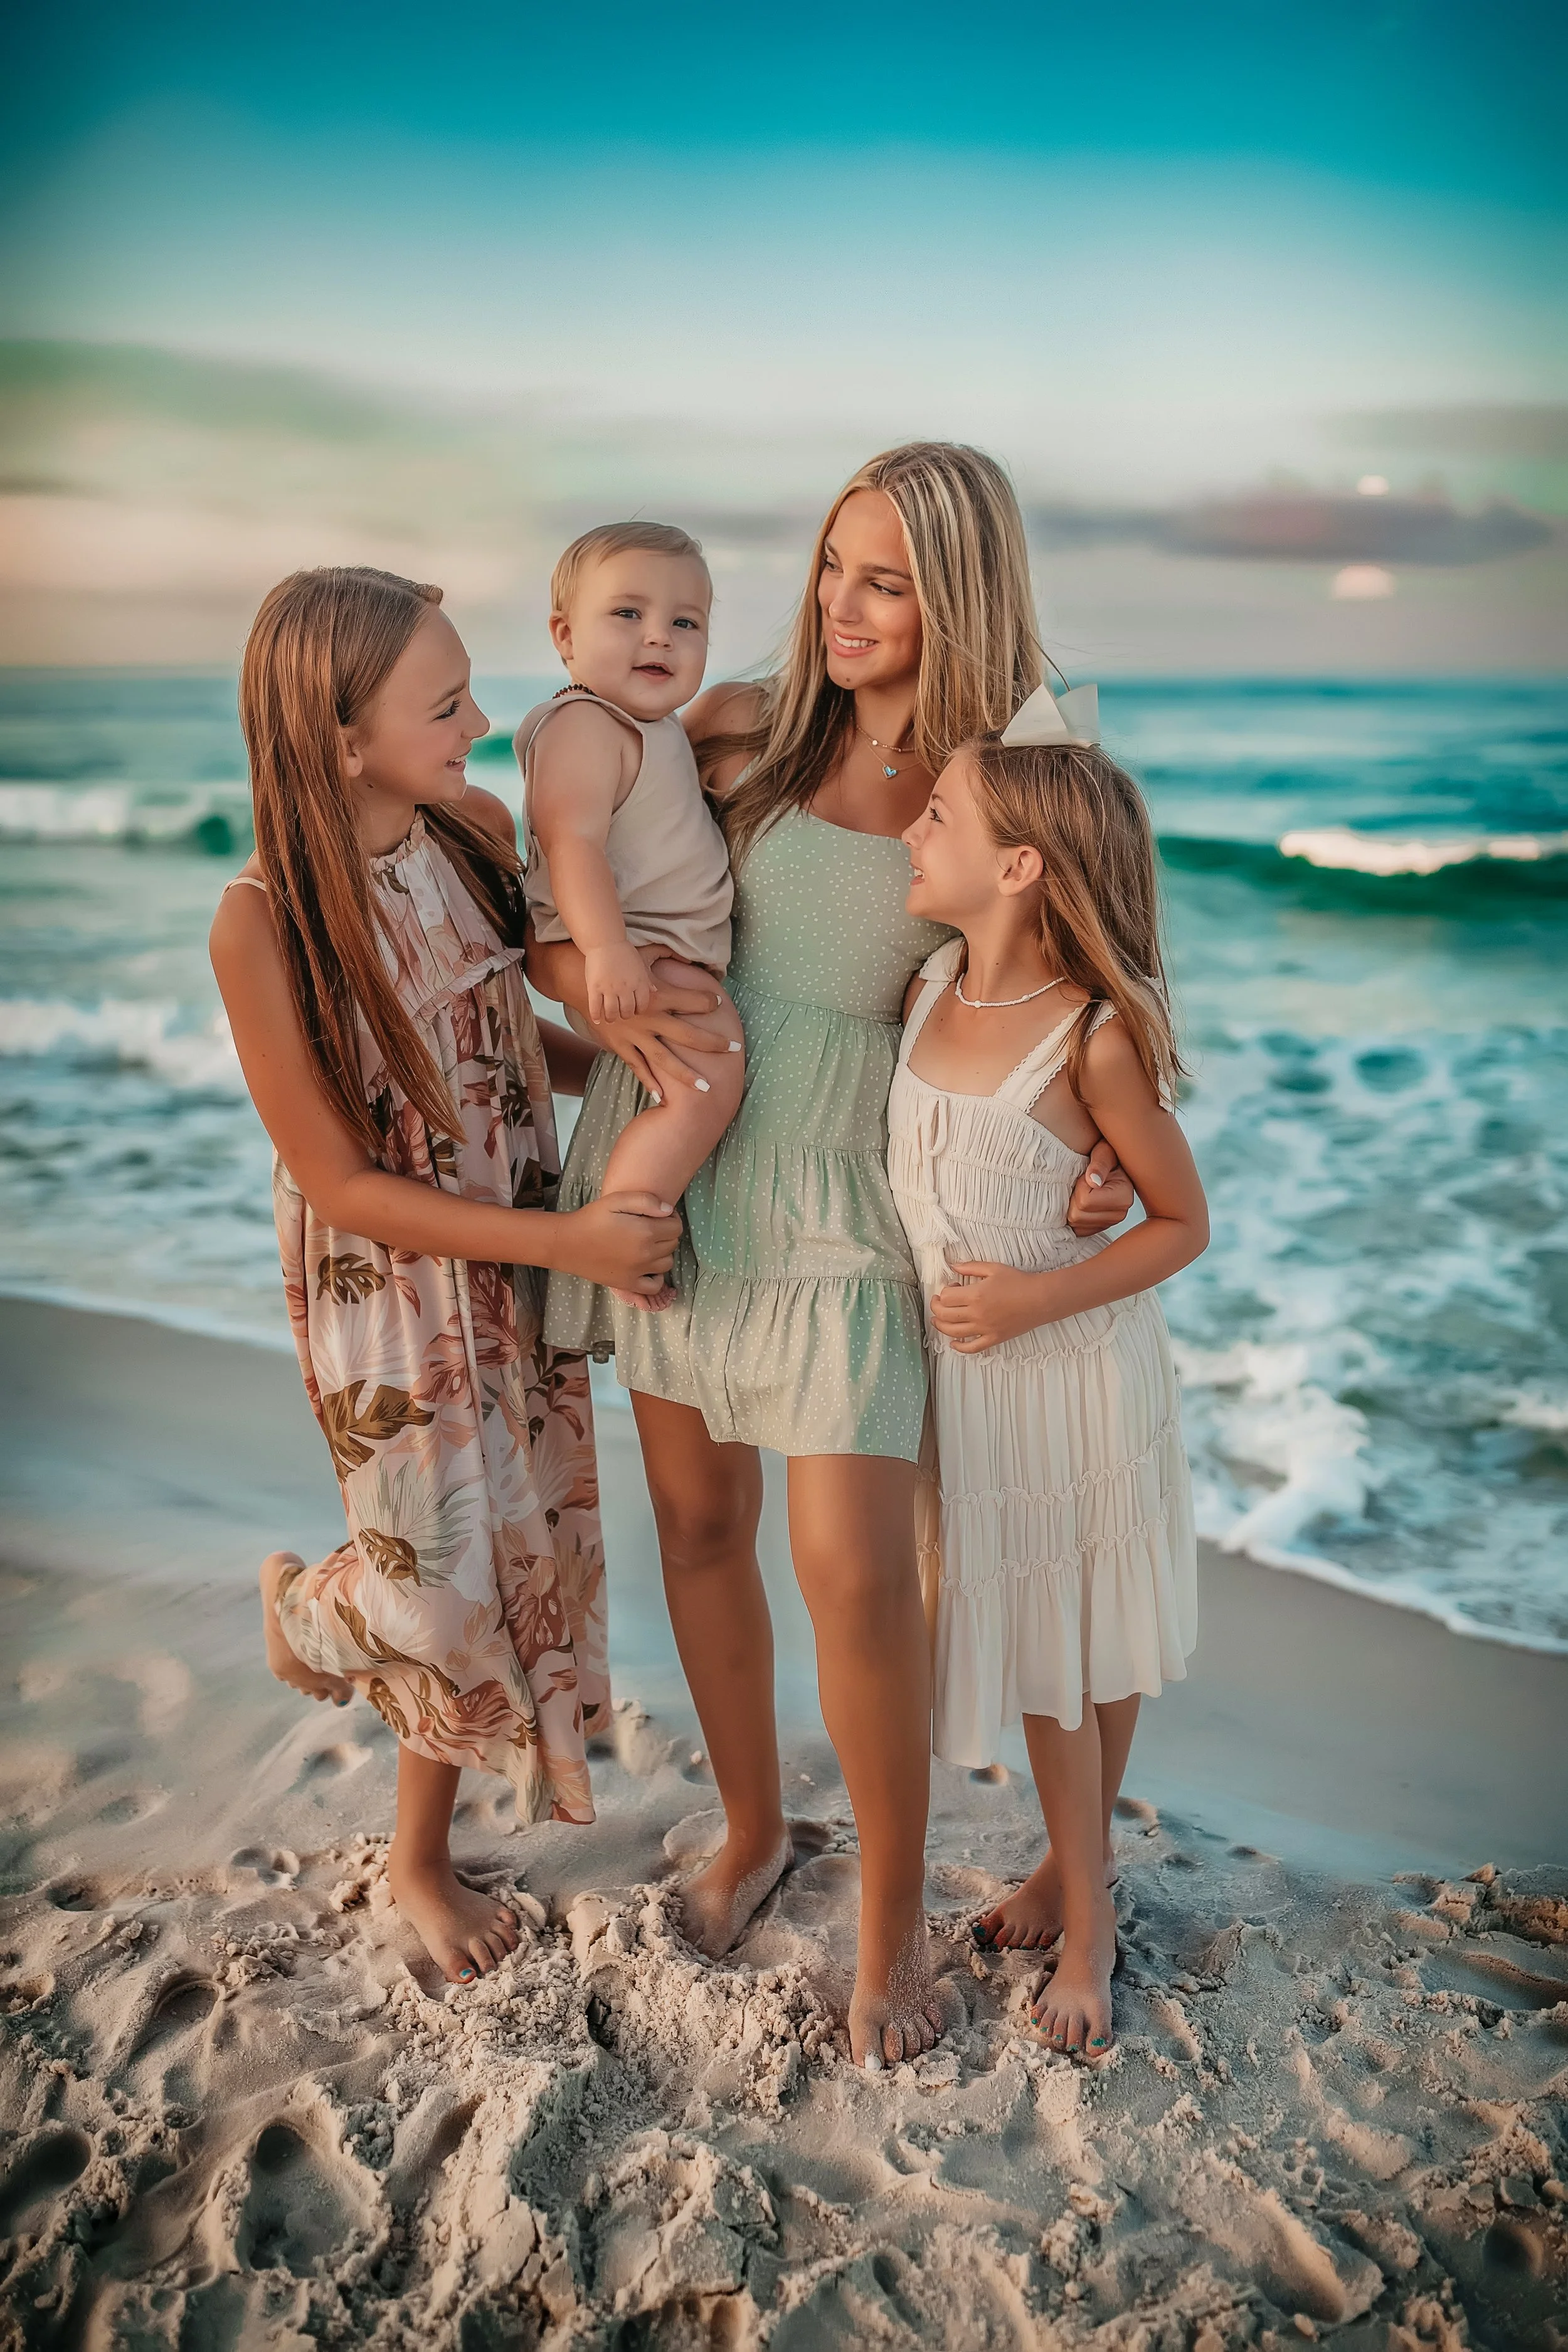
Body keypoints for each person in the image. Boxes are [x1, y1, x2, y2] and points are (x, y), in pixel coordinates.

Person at [529, 445, 1135, 2065]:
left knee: (862, 1573)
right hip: (685, 1153)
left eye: (886, 580)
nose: (842, 608)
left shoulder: (1013, 768)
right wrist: (578, 990)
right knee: (696, 1515)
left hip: (858, 1195)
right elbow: (566, 851)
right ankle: (749, 1830)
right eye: (828, 568)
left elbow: (1102, 978)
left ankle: (885, 1932)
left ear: (962, 591)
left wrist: (1095, 1157)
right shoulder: (738, 721)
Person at [209, 566, 681, 1986]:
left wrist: (625, 1073)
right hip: (392, 1275)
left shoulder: (467, 833)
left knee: (506, 1549)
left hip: (514, 1229)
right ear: (341, 738)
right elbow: (345, 1179)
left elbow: (495, 1028)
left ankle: (421, 1844)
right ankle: (307, 1610)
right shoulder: (263, 917)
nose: (482, 719)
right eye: (446, 703)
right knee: (429, 1588)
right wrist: (574, 1244)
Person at [888, 686, 1207, 2057]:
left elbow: (1181, 1223)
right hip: (976, 1386)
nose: (911, 827)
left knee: (1065, 1656)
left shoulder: (1090, 1037)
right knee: (1060, 1643)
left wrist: (1037, 1293)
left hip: (1070, 1374)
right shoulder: (922, 988)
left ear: (1017, 866)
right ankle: (1063, 1868)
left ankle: (1089, 1924)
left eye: (939, 815)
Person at [516, 522, 744, 1308]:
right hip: (629, 949)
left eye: (686, 622)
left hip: (641, 946)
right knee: (710, 1075)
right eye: (627, 615)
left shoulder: (651, 726)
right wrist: (606, 952)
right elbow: (569, 840)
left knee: (697, 1078)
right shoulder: (585, 722)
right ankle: (628, 1223)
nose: (659, 636)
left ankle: (643, 1206)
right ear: (565, 636)